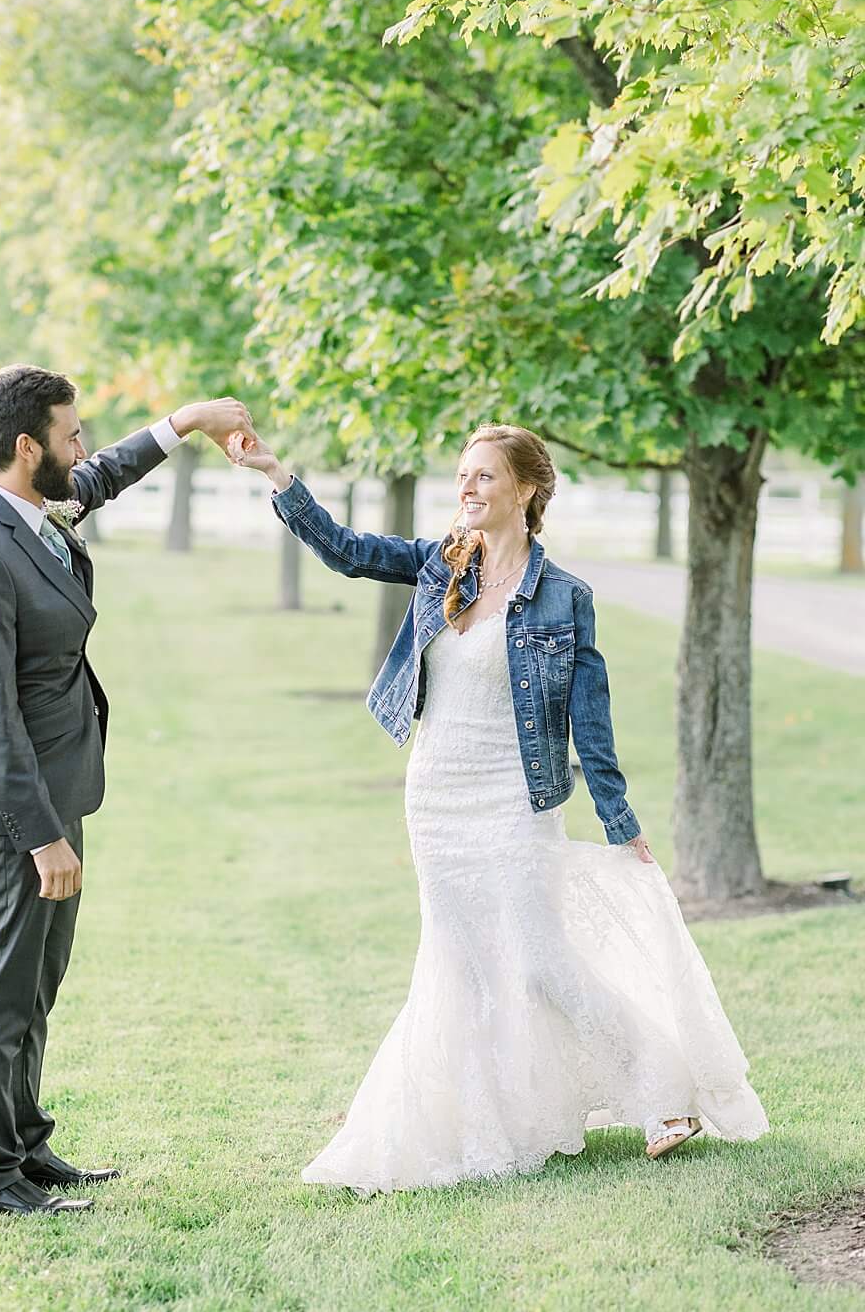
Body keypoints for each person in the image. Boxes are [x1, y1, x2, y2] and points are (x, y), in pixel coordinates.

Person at [237, 421, 767, 1191]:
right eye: (463, 475)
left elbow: (592, 717)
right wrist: (277, 475)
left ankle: (664, 1092)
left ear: (526, 489)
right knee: (464, 964)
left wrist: (620, 818)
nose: (468, 488)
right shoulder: (437, 566)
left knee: (542, 957)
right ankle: (491, 1121)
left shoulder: (564, 599)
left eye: (486, 476)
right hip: (436, 798)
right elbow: (350, 550)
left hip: (516, 802)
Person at [0, 363, 253, 1215]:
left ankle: (25, 1145)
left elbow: (101, 476)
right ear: (27, 446)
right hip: (12, 810)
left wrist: (183, 422)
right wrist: (41, 836)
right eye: (71, 434)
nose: (85, 448)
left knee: (36, 983)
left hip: (55, 790)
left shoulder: (29, 503)